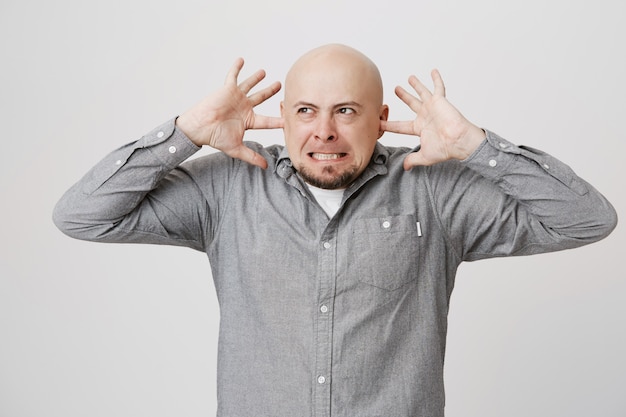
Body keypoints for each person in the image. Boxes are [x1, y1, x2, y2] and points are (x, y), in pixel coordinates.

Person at [53, 44, 617, 417]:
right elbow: (83, 214)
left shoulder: (434, 189)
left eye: (346, 111)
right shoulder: (226, 187)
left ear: (379, 119)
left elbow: (587, 219)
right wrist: (186, 132)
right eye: (306, 111)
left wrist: (476, 147)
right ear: (284, 115)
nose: (324, 131)